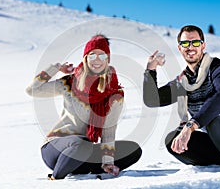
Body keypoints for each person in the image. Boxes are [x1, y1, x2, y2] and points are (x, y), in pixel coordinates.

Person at [143, 25, 220, 171]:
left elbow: (219, 99)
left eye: (195, 42)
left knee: (215, 122)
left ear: (203, 45)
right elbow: (152, 100)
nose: (190, 47)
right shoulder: (183, 82)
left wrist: (190, 127)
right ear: (180, 48)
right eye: (185, 43)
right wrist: (151, 70)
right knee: (172, 139)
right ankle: (219, 164)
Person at [26, 34, 142, 179]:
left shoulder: (115, 94)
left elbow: (108, 131)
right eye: (92, 55)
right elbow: (32, 89)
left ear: (108, 60)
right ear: (85, 58)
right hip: (56, 147)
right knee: (82, 145)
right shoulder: (70, 82)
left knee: (133, 150)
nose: (97, 60)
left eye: (102, 56)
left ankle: (81, 168)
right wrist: (55, 69)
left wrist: (107, 162)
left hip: (83, 150)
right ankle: (57, 177)